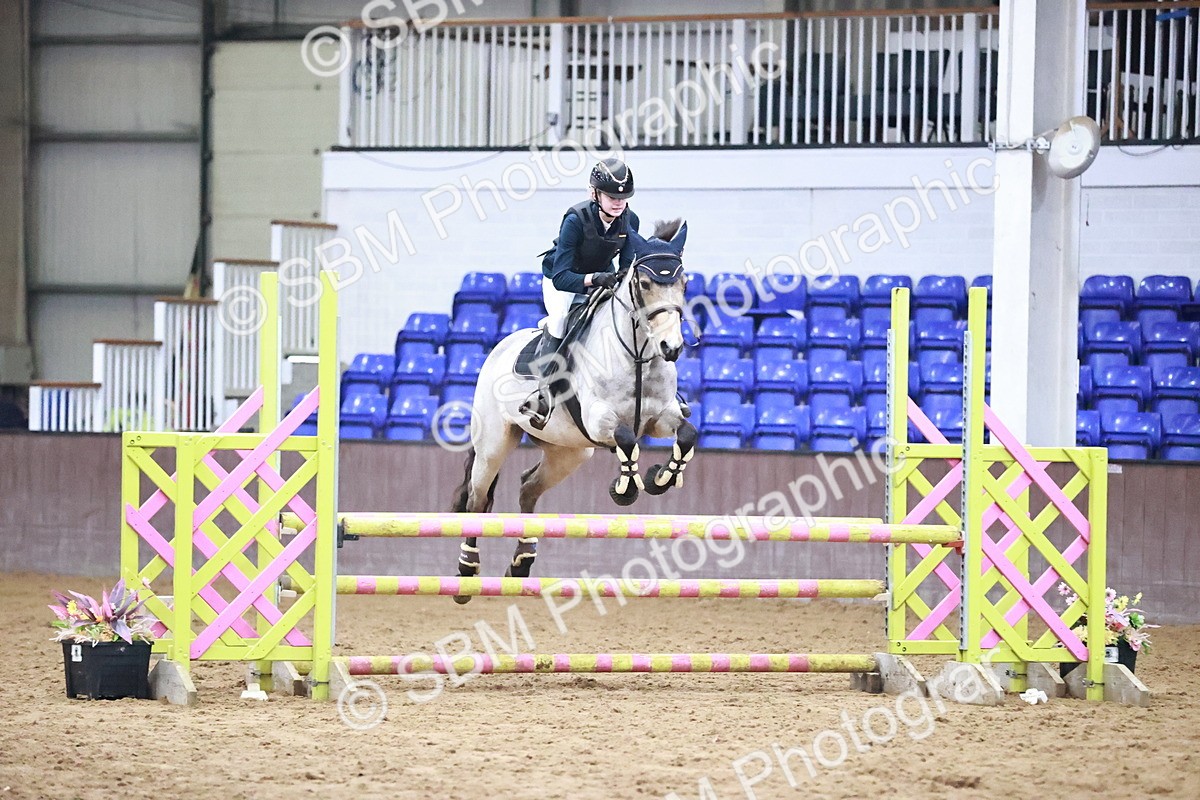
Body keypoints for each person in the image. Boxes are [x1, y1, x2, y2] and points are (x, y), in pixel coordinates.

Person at [520, 157, 641, 429]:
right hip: (562, 280)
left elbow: (626, 266)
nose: (618, 202)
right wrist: (594, 279)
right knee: (561, 319)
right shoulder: (575, 219)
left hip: (601, 278)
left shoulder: (630, 220)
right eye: (611, 196)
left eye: (623, 197)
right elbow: (562, 276)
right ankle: (543, 394)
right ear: (594, 193)